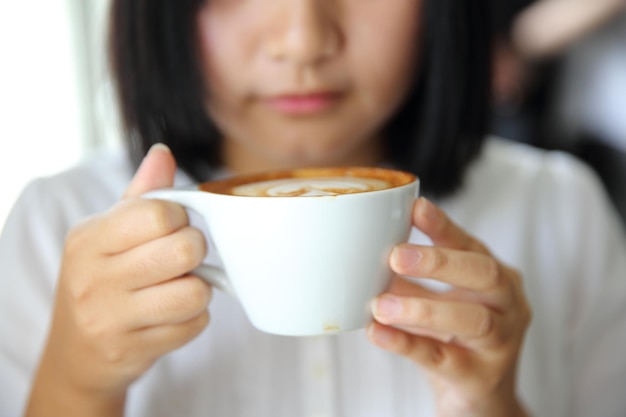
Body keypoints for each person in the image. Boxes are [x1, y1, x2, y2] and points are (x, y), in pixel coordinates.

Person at [1, 1, 626, 416]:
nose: (302, 41)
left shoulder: (561, 212)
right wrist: (77, 383)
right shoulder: (57, 225)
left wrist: (494, 403)